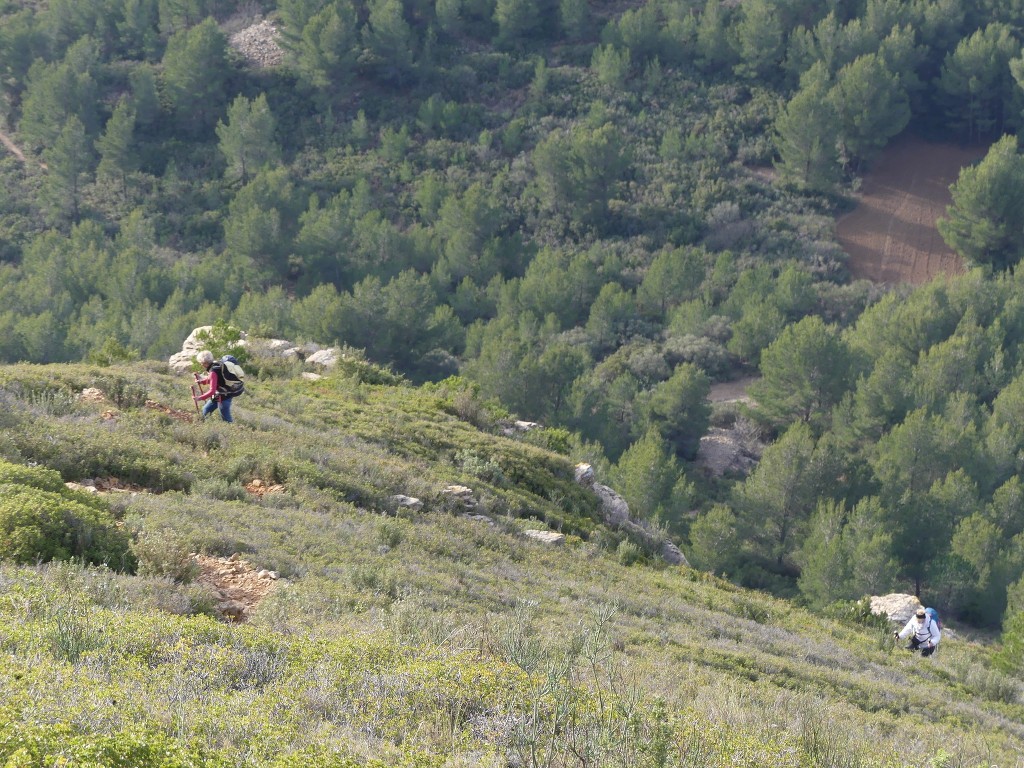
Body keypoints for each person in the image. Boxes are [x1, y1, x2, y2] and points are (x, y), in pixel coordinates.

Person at [194, 350, 234, 423]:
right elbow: (215, 380)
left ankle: (234, 432)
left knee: (226, 419)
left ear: (205, 363)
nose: (201, 365)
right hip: (219, 394)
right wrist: (202, 381)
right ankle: (203, 426)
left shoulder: (213, 371)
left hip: (225, 396)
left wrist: (199, 398)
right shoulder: (216, 364)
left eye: (201, 363)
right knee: (205, 410)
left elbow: (212, 391)